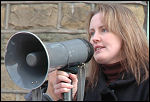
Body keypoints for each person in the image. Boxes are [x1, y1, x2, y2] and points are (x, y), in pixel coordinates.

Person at [25, 3, 149, 101]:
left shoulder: (145, 84)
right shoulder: (85, 88)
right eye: (92, 33)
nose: (94, 38)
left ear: (126, 34)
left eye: (104, 30)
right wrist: (53, 95)